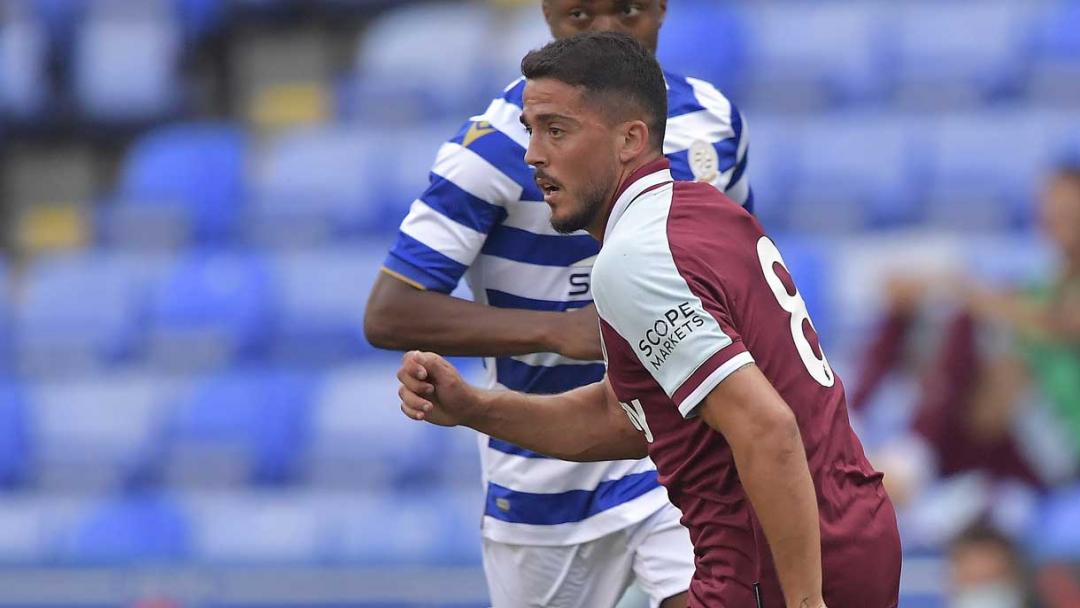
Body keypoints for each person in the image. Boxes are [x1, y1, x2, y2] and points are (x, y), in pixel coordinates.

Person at [397, 32, 901, 608]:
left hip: (775, 563)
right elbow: (627, 418)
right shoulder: (706, 210)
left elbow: (767, 427)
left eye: (556, 130)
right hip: (851, 528)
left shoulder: (634, 261)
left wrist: (806, 603)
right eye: (530, 130)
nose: (534, 153)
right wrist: (474, 408)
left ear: (630, 139)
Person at [365, 2, 752, 606]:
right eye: (578, 15)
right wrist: (556, 331)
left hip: (673, 447)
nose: (604, 33)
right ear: (547, 13)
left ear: (660, 8)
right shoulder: (495, 147)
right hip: (544, 473)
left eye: (626, 12)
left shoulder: (714, 123)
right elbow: (391, 311)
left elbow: (741, 270)